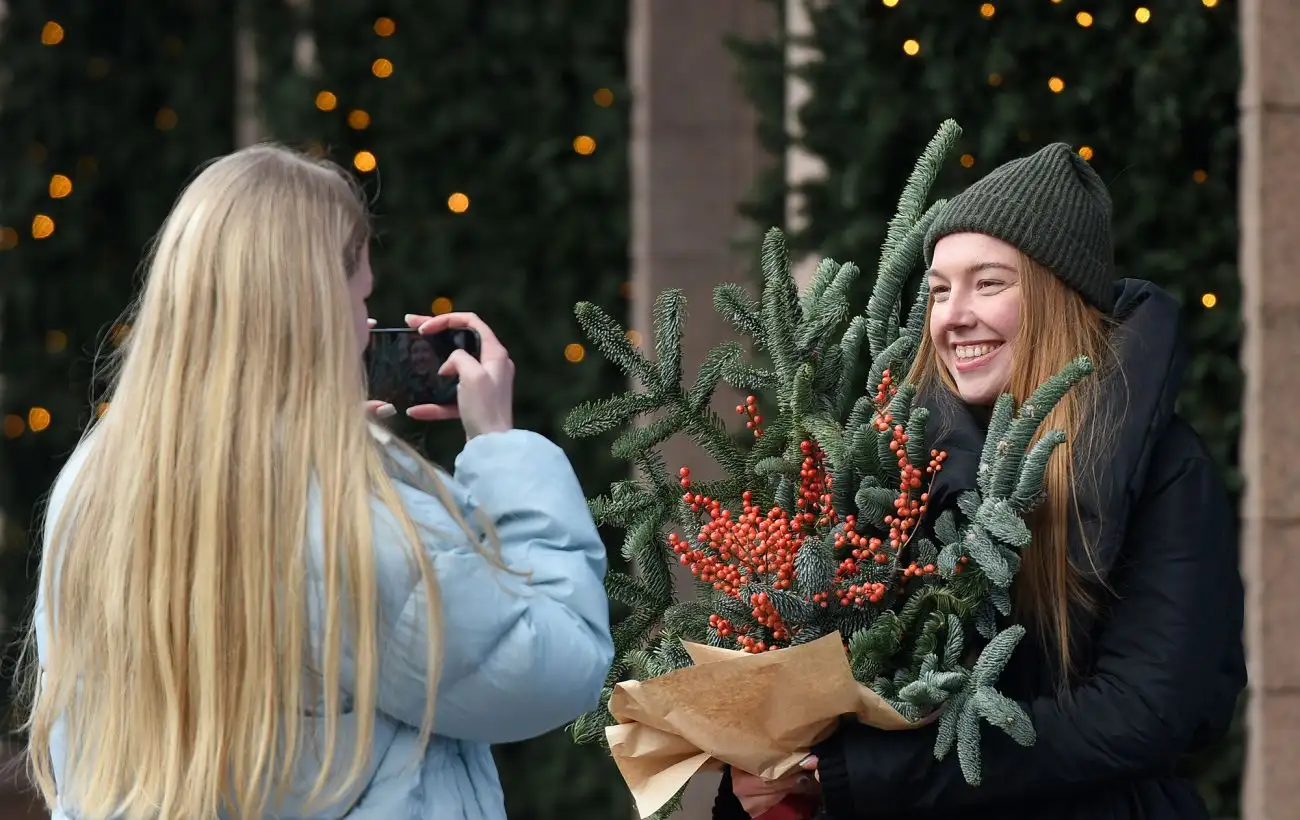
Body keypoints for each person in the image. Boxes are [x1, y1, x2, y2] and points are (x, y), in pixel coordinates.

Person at [17, 144, 614, 820]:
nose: (366, 328)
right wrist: (501, 447)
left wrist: (328, 451)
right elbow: (557, 664)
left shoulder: (93, 484)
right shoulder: (352, 526)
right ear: (311, 311)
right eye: (360, 300)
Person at [715, 143, 1245, 819]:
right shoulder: (889, 467)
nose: (953, 315)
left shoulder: (1165, 466)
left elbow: (1143, 709)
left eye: (989, 283)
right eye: (939, 290)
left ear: (1057, 296)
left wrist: (867, 771)